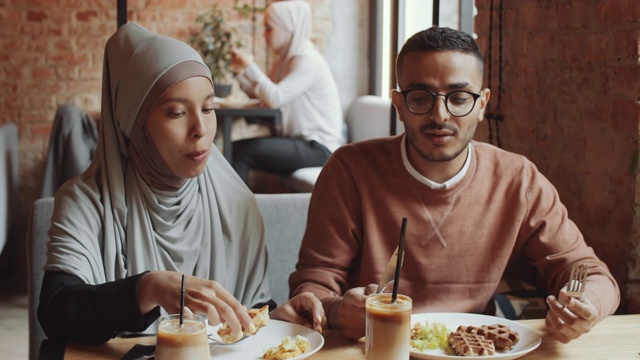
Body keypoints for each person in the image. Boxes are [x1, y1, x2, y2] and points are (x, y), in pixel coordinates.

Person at [289, 26, 620, 343]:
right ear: (399, 104)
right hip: (373, 346)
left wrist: (584, 305)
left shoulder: (519, 180)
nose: (440, 115)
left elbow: (590, 274)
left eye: (459, 97)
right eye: (420, 97)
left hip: (476, 350)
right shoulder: (350, 170)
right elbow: (313, 284)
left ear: (481, 105)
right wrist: (335, 310)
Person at [38, 22, 324, 344]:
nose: (200, 128)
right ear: (133, 122)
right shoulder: (86, 202)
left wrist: (275, 318)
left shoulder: (235, 203)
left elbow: (243, 316)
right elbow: (58, 311)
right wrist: (148, 288)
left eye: (208, 108)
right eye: (176, 113)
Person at [229, 0, 344, 184]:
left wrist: (250, 66)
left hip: (319, 149)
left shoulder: (308, 60)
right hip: (301, 143)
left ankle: (233, 212)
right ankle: (233, 209)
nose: (264, 34)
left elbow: (275, 98)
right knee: (236, 149)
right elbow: (264, 96)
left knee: (239, 151)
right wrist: (239, 72)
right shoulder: (284, 61)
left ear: (288, 29)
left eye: (269, 29)